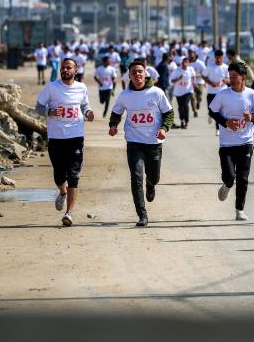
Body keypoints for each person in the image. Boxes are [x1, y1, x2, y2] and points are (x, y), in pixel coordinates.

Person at [108, 59, 174, 226]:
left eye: (140, 71)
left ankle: (151, 185)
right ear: (129, 76)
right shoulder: (125, 95)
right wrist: (113, 125)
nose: (137, 74)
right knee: (136, 177)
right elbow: (116, 112)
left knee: (154, 176)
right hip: (134, 142)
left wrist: (164, 128)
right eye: (133, 72)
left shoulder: (156, 92)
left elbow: (169, 113)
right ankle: (142, 215)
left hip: (153, 142)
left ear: (146, 73)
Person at [35, 58, 95, 227]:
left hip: (76, 136)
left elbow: (84, 106)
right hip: (56, 138)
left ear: (76, 70)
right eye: (63, 68)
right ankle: (62, 191)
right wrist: (51, 112)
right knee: (59, 175)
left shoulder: (81, 88)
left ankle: (69, 213)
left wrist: (89, 113)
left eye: (69, 68)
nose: (65, 70)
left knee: (73, 175)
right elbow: (38, 107)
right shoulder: (52, 87)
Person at [208, 61, 254, 220]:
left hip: (245, 142)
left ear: (243, 77)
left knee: (243, 178)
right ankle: (226, 185)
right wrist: (226, 122)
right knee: (230, 177)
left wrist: (251, 117)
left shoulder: (252, 94)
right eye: (230, 76)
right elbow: (212, 111)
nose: (231, 79)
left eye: (235, 76)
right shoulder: (223, 94)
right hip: (227, 144)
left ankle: (239, 209)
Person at [202, 49, 230, 133]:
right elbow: (203, 76)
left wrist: (225, 81)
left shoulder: (226, 67)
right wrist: (211, 83)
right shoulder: (210, 67)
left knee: (220, 111)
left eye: (220, 58)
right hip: (211, 92)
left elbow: (229, 79)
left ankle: (218, 128)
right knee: (211, 111)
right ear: (214, 58)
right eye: (217, 58)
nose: (218, 59)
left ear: (222, 58)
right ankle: (211, 115)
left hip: (222, 92)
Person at [170, 56, 197, 129]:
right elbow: (172, 81)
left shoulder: (190, 69)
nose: (185, 64)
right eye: (184, 62)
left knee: (186, 105)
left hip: (188, 90)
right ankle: (182, 120)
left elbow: (194, 75)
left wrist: (194, 82)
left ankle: (186, 121)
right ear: (181, 63)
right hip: (179, 92)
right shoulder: (177, 70)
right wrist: (178, 79)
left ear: (188, 63)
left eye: (187, 62)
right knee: (180, 107)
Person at [189, 50, 207, 118]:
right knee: (192, 97)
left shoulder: (200, 63)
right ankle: (195, 111)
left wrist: (197, 76)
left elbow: (205, 73)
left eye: (191, 54)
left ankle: (198, 102)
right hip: (191, 83)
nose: (190, 56)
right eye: (189, 54)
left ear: (194, 55)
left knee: (199, 95)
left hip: (199, 82)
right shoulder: (188, 62)